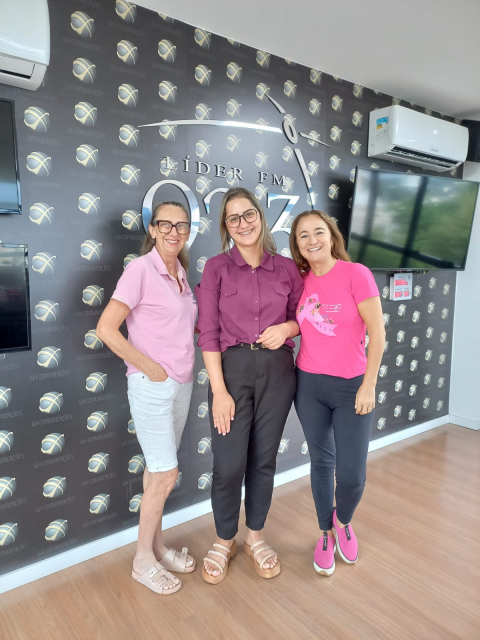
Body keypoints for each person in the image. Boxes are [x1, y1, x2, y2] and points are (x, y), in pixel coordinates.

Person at [196, 187, 303, 584]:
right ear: (226, 226)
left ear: (260, 216)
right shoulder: (216, 268)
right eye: (233, 218)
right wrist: (220, 391)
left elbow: (303, 317)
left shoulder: (287, 268)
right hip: (232, 370)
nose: (242, 223)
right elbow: (208, 332)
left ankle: (255, 536)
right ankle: (225, 539)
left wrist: (286, 329)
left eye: (248, 215)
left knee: (263, 460)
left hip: (278, 370)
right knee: (227, 465)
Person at [96, 201, 197, 595]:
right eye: (165, 224)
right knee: (166, 474)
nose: (174, 231)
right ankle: (142, 562)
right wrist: (149, 367)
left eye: (181, 225)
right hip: (152, 385)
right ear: (152, 229)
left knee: (157, 473)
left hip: (182, 384)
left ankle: (157, 548)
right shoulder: (140, 269)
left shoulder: (181, 273)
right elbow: (106, 328)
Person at [289, 210, 385, 576]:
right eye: (303, 235)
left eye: (318, 232)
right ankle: (324, 532)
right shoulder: (299, 281)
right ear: (297, 245)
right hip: (309, 385)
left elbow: (378, 333)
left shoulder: (355, 274)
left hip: (351, 387)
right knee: (321, 463)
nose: (312, 240)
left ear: (332, 237)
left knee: (352, 475)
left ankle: (343, 521)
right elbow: (298, 324)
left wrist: (369, 385)